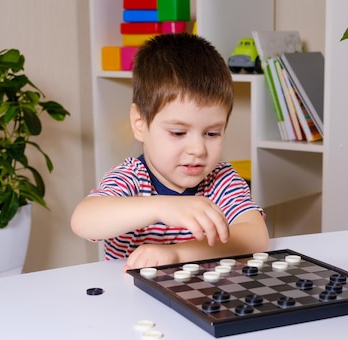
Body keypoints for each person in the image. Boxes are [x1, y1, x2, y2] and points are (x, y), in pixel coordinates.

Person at [71, 33, 269, 271]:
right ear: (140, 124)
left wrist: (176, 254)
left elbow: (256, 236)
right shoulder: (132, 178)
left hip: (205, 301)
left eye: (212, 133)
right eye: (178, 133)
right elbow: (83, 220)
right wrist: (162, 206)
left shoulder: (220, 179)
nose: (197, 149)